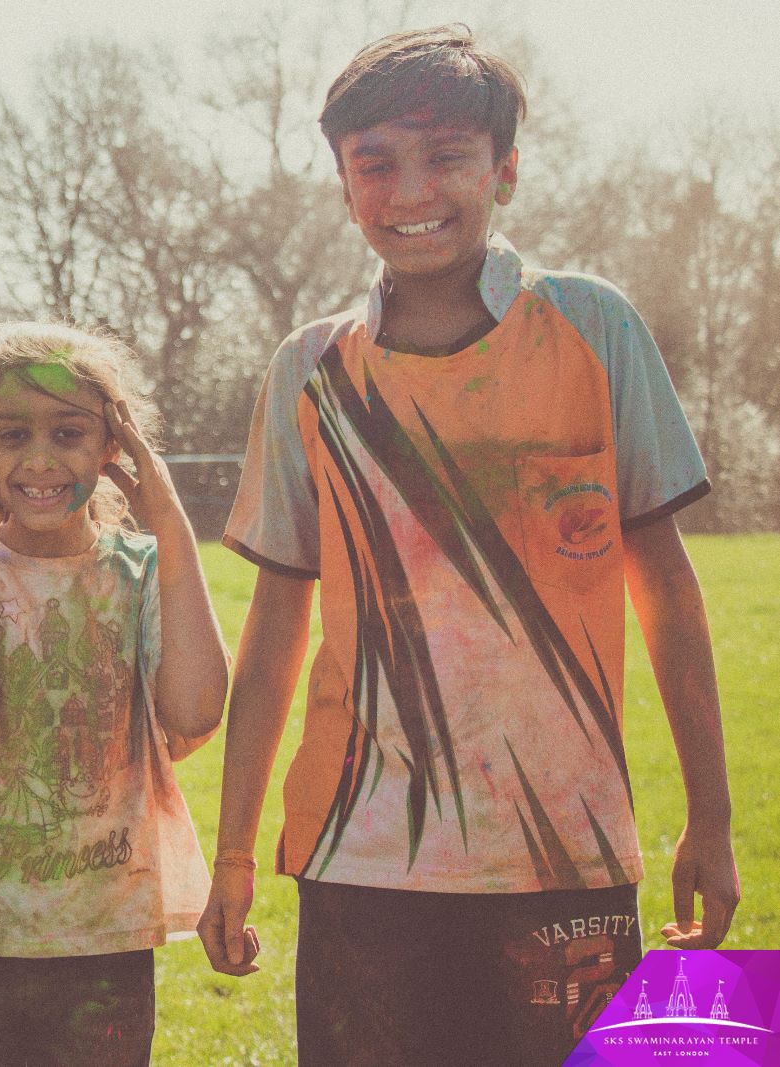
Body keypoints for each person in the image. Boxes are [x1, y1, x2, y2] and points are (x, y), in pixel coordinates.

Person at [196, 25, 741, 1067]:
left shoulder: (593, 325)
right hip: (358, 856)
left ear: (505, 170)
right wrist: (231, 853)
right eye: (374, 164)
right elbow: (273, 628)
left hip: (567, 853)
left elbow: (667, 589)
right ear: (343, 183)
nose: (410, 191)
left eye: (445, 156)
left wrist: (707, 820)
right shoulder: (307, 368)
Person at [0, 322, 228, 1066]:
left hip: (104, 937)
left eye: (70, 433)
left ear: (112, 447)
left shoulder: (143, 568)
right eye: (12, 435)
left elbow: (196, 710)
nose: (41, 459)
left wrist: (172, 525)